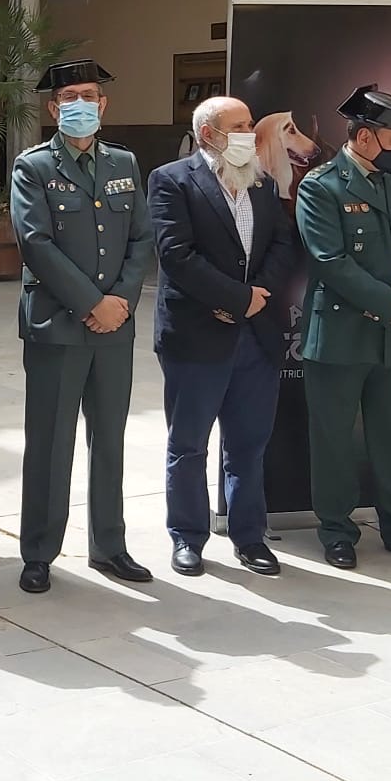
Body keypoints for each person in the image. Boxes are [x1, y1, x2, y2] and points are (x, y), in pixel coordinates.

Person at [11, 59, 154, 593]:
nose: (80, 104)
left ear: (103, 104)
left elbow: (141, 237)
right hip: (58, 325)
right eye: (69, 96)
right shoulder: (33, 166)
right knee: (50, 442)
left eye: (89, 95)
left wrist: (120, 300)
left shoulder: (123, 162)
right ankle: (39, 552)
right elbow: (35, 243)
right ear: (53, 108)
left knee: (110, 438)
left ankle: (110, 546)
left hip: (115, 327)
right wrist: (92, 302)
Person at [295, 84, 391, 570]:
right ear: (363, 138)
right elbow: (329, 262)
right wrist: (390, 303)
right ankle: (337, 530)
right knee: (334, 440)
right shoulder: (321, 186)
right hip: (341, 335)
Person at [149, 96, 299, 577]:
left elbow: (282, 241)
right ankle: (187, 537)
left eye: (253, 124)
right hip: (197, 336)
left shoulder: (261, 180)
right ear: (209, 134)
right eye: (240, 126)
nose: (251, 134)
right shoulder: (172, 180)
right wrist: (236, 296)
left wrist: (259, 295)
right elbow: (176, 255)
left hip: (257, 336)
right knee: (189, 445)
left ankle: (249, 537)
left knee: (248, 446)